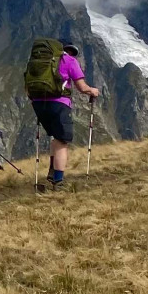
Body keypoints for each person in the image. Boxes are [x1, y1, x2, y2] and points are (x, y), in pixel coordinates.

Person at [32, 38, 99, 189]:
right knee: (62, 141)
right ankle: (58, 181)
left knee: (56, 138)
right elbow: (82, 87)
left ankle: (52, 171)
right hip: (59, 103)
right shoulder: (69, 61)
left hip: (38, 103)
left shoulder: (41, 61)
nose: (71, 54)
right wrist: (92, 91)